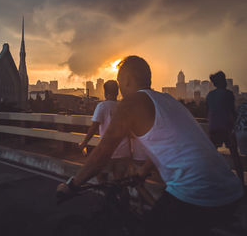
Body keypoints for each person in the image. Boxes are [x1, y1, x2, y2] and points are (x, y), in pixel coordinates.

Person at [57, 56, 244, 235]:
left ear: (128, 79)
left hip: (196, 191)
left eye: (120, 81)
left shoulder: (132, 102)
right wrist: (143, 170)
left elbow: (103, 151)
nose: (121, 88)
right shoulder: (169, 101)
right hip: (230, 189)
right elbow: (169, 143)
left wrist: (72, 184)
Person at [79, 80, 132, 182]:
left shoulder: (102, 106)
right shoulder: (123, 107)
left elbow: (94, 127)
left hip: (107, 152)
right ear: (117, 92)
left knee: (101, 177)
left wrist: (84, 143)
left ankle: (109, 196)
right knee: (120, 182)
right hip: (124, 151)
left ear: (105, 93)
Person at [206, 71, 235, 148]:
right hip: (225, 128)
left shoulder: (210, 95)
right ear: (221, 81)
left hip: (213, 127)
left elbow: (209, 111)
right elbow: (232, 112)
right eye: (224, 80)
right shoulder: (228, 94)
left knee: (213, 153)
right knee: (233, 150)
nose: (226, 82)